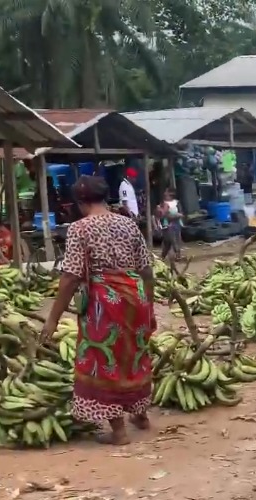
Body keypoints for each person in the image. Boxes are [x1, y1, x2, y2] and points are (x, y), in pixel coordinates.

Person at [38, 175, 156, 446]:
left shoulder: (80, 229)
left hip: (106, 301)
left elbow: (70, 277)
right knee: (134, 354)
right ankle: (140, 416)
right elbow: (146, 269)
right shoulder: (128, 224)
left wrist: (53, 319)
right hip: (135, 294)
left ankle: (118, 432)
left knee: (104, 359)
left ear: (80, 202)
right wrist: (147, 304)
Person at [154, 189, 184, 264]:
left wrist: (174, 216)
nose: (165, 194)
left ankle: (176, 254)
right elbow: (162, 215)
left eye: (167, 192)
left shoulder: (176, 203)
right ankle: (166, 256)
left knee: (174, 239)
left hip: (175, 224)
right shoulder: (163, 204)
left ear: (171, 194)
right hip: (167, 224)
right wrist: (173, 216)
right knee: (169, 240)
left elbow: (181, 214)